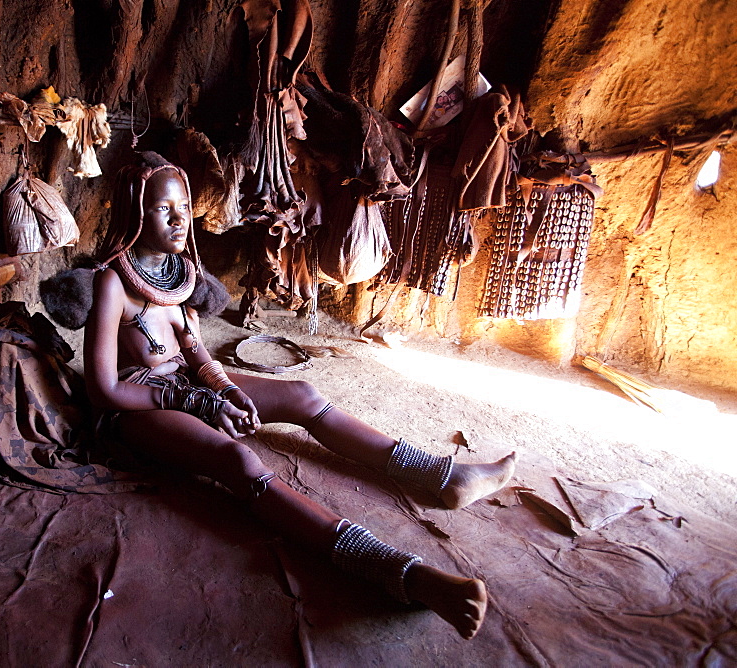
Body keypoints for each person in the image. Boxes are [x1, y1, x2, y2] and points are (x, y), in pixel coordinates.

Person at [82, 152, 516, 640]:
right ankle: (401, 573)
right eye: (165, 210)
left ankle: (443, 475)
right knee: (237, 461)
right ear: (135, 212)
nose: (181, 219)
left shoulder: (178, 273)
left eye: (184, 205)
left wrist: (223, 387)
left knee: (304, 395)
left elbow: (194, 348)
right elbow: (103, 390)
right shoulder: (112, 283)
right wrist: (198, 404)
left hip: (192, 381)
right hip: (139, 401)